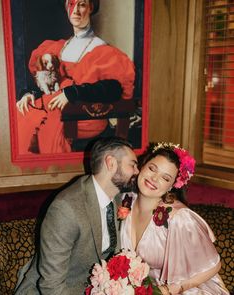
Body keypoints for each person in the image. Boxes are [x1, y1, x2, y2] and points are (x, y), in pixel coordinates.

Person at [14, 137, 139, 294]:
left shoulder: (117, 197)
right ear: (111, 163)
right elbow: (51, 286)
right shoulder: (66, 209)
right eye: (133, 165)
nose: (137, 171)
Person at [16, 0, 135, 154]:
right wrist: (29, 94)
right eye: (71, 4)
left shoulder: (101, 49)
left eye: (82, 4)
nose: (76, 10)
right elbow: (49, 83)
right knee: (22, 115)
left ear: (91, 7)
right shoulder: (58, 47)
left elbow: (113, 89)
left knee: (48, 126)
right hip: (56, 107)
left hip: (85, 115)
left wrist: (71, 93)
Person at [120, 142, 230, 294]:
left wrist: (172, 289)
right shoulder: (125, 202)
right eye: (152, 168)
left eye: (165, 178)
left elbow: (214, 266)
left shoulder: (179, 218)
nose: (154, 178)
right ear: (142, 166)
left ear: (171, 186)